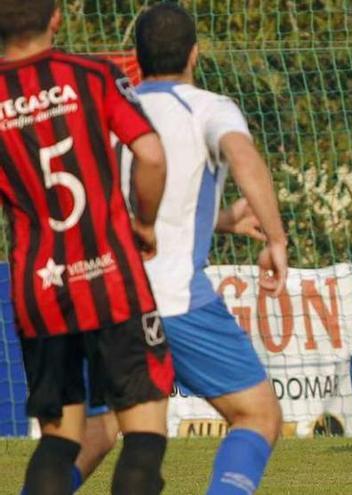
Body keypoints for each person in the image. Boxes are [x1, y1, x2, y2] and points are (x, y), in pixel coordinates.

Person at [72, 3, 289, 493]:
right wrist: (276, 237)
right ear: (195, 54)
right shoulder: (209, 107)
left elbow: (137, 203)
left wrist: (224, 222)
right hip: (174, 299)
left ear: (137, 57)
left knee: (99, 431)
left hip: (107, 295)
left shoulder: (109, 111)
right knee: (256, 416)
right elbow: (244, 157)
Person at [0, 1, 173, 493]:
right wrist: (145, 222)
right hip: (111, 276)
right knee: (142, 435)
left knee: (59, 441)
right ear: (55, 17)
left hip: (41, 288)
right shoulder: (93, 75)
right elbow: (151, 155)